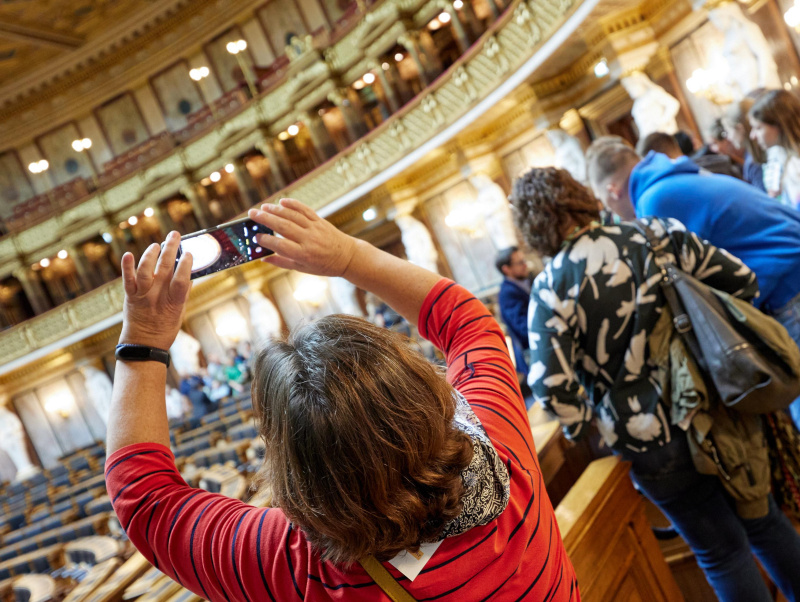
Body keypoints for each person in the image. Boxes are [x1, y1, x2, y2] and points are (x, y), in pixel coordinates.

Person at [104, 199, 578, 601]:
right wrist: (349, 257)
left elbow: (146, 502)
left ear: (297, 469)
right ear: (422, 390)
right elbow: (467, 324)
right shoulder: (501, 448)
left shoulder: (295, 566)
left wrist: (144, 336)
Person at [511, 167, 800, 602]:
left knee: (721, 554)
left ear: (533, 226)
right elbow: (742, 279)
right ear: (581, 198)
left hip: (648, 440)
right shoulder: (656, 233)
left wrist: (587, 425)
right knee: (765, 523)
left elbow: (552, 387)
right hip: (719, 404)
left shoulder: (550, 288)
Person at [586, 143, 800, 428]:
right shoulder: (671, 177)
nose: (610, 211)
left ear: (612, 190)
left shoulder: (654, 201)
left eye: (603, 201)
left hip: (788, 288)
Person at [749, 89, 800, 209]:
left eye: (758, 128)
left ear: (779, 124)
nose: (752, 136)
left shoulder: (796, 164)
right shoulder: (783, 158)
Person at [495, 247, 533, 376]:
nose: (525, 265)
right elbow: (523, 328)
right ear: (506, 269)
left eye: (524, 260)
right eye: (520, 263)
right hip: (531, 352)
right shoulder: (507, 293)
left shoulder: (525, 281)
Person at [724, 95, 767, 191]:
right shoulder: (752, 156)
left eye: (728, 131)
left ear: (740, 128)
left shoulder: (754, 163)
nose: (729, 138)